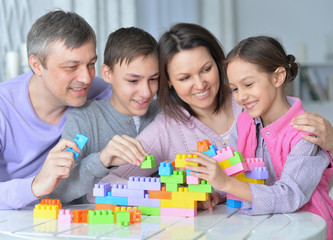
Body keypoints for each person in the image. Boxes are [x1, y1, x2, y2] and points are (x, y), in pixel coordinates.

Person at [185, 36, 333, 239]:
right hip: (258, 226)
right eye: (235, 89)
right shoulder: (244, 122)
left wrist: (226, 183)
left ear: (278, 77)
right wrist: (217, 194)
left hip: (307, 229)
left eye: (248, 84)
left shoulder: (306, 130)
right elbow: (236, 175)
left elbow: (290, 196)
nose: (240, 97)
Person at [102, 23, 241, 208]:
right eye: (184, 78)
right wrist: (179, 197)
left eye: (206, 69)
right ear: (167, 81)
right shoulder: (166, 129)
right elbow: (105, 186)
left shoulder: (248, 100)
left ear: (218, 63)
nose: (200, 85)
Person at [0, 10, 113, 210]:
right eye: (71, 67)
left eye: (91, 64)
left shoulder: (104, 94)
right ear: (36, 65)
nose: (86, 78)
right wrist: (35, 185)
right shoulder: (3, 108)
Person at [47, 27, 160, 204]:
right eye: (133, 80)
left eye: (154, 79)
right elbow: (57, 193)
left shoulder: (164, 114)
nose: (146, 92)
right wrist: (101, 160)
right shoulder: (83, 119)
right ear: (107, 73)